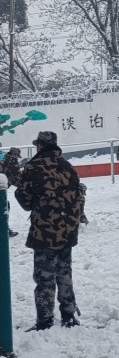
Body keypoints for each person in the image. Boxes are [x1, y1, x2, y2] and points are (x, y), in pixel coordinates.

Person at [15, 131, 83, 331]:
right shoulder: (67, 166)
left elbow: (26, 202)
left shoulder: (32, 168)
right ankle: (68, 314)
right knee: (64, 272)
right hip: (68, 229)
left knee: (44, 277)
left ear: (41, 146)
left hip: (45, 231)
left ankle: (45, 320)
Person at [0, 147, 21, 237]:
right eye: (16, 155)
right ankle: (4, 230)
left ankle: (4, 229)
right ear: (13, 154)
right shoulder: (10, 162)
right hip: (1, 191)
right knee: (4, 208)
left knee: (4, 207)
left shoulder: (5, 160)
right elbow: (15, 178)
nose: (16, 157)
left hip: (2, 189)